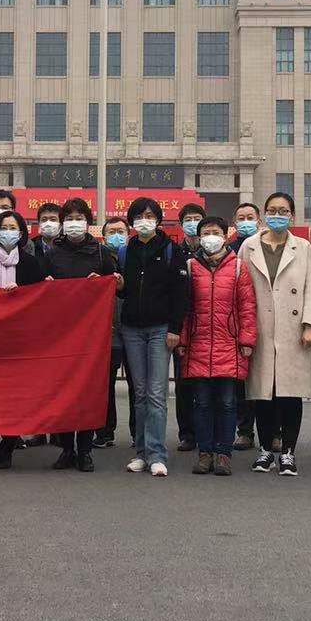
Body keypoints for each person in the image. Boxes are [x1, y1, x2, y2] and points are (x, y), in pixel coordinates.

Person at [238, 191, 311, 477]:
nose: (277, 215)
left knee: (290, 393)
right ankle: (264, 451)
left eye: (283, 211)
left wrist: (309, 325)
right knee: (262, 393)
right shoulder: (249, 246)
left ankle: (288, 452)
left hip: (292, 328)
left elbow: (310, 288)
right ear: (264, 214)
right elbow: (240, 288)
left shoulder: (303, 247)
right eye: (272, 210)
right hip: (259, 327)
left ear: (292, 215)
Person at [42, 197, 118, 471]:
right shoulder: (53, 253)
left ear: (88, 222)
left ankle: (85, 450)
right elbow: (40, 290)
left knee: (87, 391)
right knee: (62, 391)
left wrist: (108, 283)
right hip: (60, 334)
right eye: (69, 218)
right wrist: (46, 285)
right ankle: (66, 449)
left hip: (91, 335)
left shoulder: (101, 252)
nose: (74, 223)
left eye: (79, 218)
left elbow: (117, 286)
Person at [178, 216, 257, 476]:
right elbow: (184, 309)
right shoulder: (190, 266)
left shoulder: (238, 267)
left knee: (227, 403)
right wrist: (182, 340)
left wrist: (247, 340)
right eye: (206, 233)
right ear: (199, 237)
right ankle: (205, 453)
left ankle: (223, 454)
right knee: (201, 403)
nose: (210, 237)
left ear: (225, 236)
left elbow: (247, 307)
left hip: (229, 344)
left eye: (215, 232)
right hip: (198, 344)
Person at [117, 197, 187, 479]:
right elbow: (125, 292)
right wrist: (120, 286)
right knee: (140, 394)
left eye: (149, 215)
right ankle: (141, 453)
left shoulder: (171, 250)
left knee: (157, 394)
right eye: (139, 216)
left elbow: (180, 293)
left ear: (158, 220)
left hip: (160, 329)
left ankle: (157, 455)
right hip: (132, 329)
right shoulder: (125, 251)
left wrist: (175, 328)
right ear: (131, 221)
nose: (144, 220)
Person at [0, 210, 45, 468]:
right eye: (4, 227)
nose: (8, 232)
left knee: (14, 395)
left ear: (22, 233)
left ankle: (8, 448)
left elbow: (39, 300)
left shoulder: (30, 263)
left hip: (18, 339)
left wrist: (22, 293)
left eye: (13, 227)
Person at [24, 200, 65, 448]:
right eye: (44, 219)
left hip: (63, 322)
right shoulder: (30, 247)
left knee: (59, 378)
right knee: (38, 379)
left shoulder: (67, 247)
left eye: (53, 219)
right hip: (36, 319)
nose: (49, 223)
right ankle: (38, 428)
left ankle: (59, 428)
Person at [173, 200, 207, 452]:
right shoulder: (175, 253)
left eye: (197, 219)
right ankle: (187, 433)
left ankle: (209, 432)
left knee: (207, 384)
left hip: (209, 325)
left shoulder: (215, 252)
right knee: (184, 383)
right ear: (181, 224)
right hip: (183, 325)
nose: (193, 224)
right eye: (188, 219)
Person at [97, 215, 132, 449]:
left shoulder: (134, 257)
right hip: (106, 332)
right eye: (111, 232)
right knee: (105, 385)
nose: (116, 236)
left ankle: (138, 433)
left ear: (128, 235)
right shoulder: (98, 258)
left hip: (132, 329)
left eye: (120, 231)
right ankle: (104, 432)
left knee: (137, 385)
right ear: (104, 236)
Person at [231, 201, 262, 449]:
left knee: (267, 379)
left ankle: (274, 432)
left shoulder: (268, 245)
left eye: (250, 217)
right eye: (241, 218)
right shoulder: (229, 249)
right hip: (238, 321)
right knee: (241, 381)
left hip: (267, 319)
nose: (246, 222)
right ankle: (244, 430)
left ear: (259, 220)